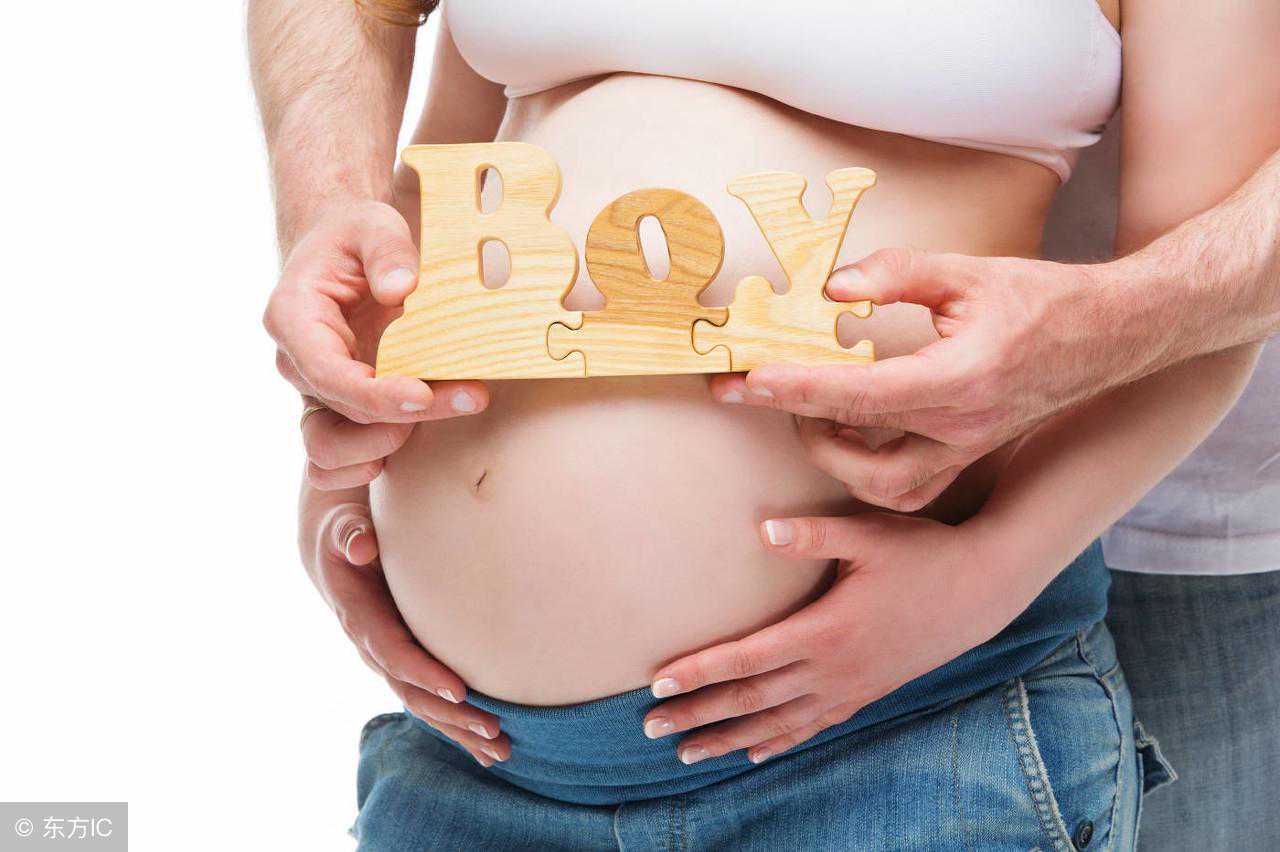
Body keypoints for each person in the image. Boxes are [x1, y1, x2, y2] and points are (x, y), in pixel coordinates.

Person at [249, 0, 1278, 848]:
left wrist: (988, 576)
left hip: (894, 743)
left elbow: (1201, 308)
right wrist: (342, 461)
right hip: (471, 761)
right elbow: (451, 192)